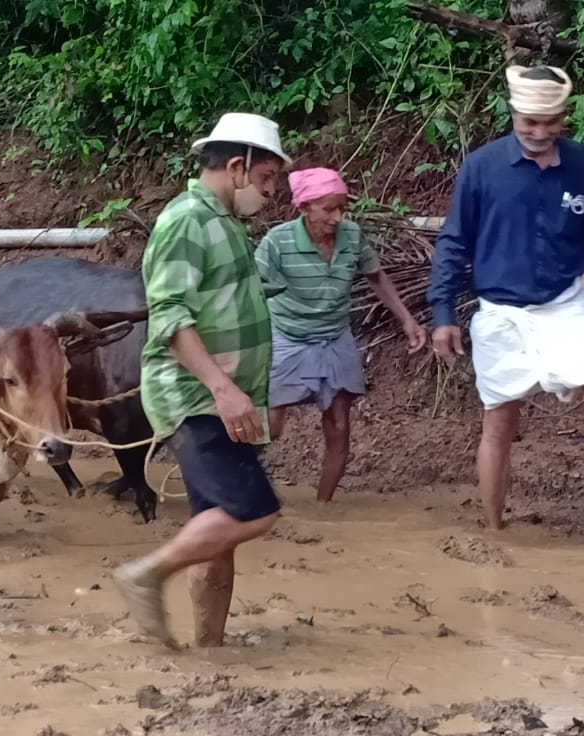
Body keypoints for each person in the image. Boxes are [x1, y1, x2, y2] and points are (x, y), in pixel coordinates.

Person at [426, 65, 584, 556]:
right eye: (530, 123)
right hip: (501, 309)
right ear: (513, 113)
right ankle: (494, 531)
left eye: (551, 122)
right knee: (500, 421)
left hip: (567, 301)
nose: (540, 133)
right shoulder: (481, 166)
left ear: (564, 117)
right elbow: (454, 241)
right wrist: (443, 312)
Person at [110, 112, 288, 649]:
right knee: (254, 510)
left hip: (219, 396)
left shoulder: (224, 223)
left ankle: (210, 650)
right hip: (196, 397)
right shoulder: (187, 220)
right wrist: (223, 388)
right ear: (237, 167)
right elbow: (169, 317)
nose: (272, 191)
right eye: (266, 178)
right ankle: (146, 575)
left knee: (216, 527)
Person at [256, 167, 426, 502]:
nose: (337, 218)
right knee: (269, 427)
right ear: (304, 208)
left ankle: (324, 507)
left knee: (339, 425)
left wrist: (407, 319)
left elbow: (376, 276)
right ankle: (245, 494)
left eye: (342, 209)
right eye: (329, 209)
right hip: (288, 336)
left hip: (335, 336)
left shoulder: (352, 235)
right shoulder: (277, 241)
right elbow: (250, 289)